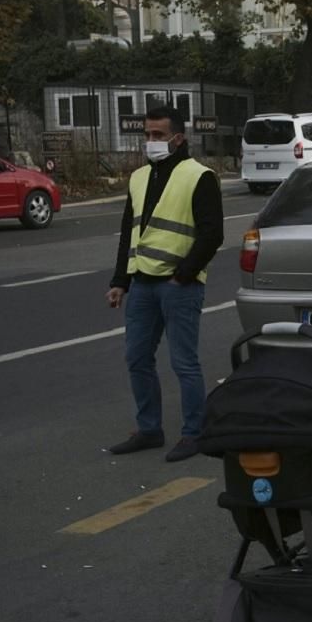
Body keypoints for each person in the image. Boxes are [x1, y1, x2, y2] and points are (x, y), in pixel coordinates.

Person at [105, 106, 223, 463]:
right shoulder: (139, 177)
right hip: (142, 283)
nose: (150, 141)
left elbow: (212, 234)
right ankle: (149, 430)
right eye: (147, 134)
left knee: (184, 363)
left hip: (179, 286)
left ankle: (193, 434)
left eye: (158, 135)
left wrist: (182, 275)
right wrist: (120, 281)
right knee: (137, 358)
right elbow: (130, 232)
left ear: (178, 138)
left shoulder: (199, 176)